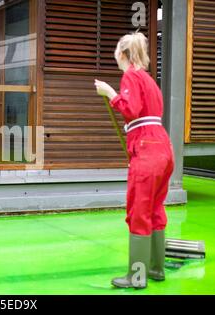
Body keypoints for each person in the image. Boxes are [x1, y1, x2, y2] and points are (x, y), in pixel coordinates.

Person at [94, 32, 175, 289]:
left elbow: (131, 109)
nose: (116, 58)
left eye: (117, 54)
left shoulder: (130, 75)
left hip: (147, 150)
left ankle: (136, 276)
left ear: (125, 54)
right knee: (155, 208)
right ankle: (156, 268)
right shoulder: (150, 80)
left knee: (139, 210)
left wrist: (110, 93)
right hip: (163, 148)